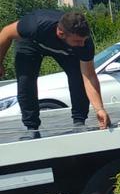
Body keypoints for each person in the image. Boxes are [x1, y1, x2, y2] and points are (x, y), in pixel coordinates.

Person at [0, 10, 112, 139]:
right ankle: (32, 128)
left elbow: (89, 76)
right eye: (77, 41)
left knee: (78, 77)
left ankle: (79, 122)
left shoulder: (84, 43)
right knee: (26, 80)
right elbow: (6, 33)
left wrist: (99, 109)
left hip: (66, 50)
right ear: (61, 33)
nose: (82, 44)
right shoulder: (34, 25)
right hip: (32, 43)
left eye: (83, 40)